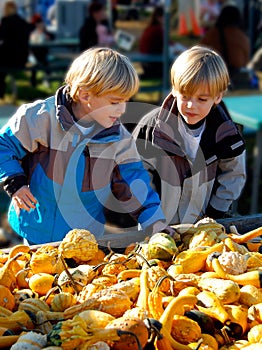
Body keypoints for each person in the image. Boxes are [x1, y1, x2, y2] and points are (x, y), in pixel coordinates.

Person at [0, 47, 172, 245]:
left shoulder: (118, 140)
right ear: (85, 96)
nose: (122, 109)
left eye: (125, 101)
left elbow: (134, 181)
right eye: (115, 102)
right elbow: (4, 145)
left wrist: (154, 222)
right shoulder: (40, 118)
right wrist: (15, 183)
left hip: (84, 237)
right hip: (36, 229)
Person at [132, 45, 246, 225]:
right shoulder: (151, 129)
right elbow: (136, 173)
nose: (191, 106)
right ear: (174, 90)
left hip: (202, 224)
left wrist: (215, 212)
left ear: (217, 97)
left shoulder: (226, 135)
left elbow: (234, 173)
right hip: (157, 226)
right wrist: (150, 215)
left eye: (202, 99)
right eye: (185, 96)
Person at [200, 4, 251, 89]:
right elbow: (244, 62)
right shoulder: (243, 38)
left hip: (212, 77)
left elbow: (199, 55)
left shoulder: (211, 35)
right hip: (236, 80)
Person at [0, 0, 32, 99]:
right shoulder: (23, 22)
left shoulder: (6, 21)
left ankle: (1, 92)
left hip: (8, 58)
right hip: (22, 59)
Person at [139, 5, 164, 79]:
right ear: (158, 17)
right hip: (152, 63)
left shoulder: (150, 28)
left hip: (145, 63)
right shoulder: (157, 30)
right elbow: (168, 44)